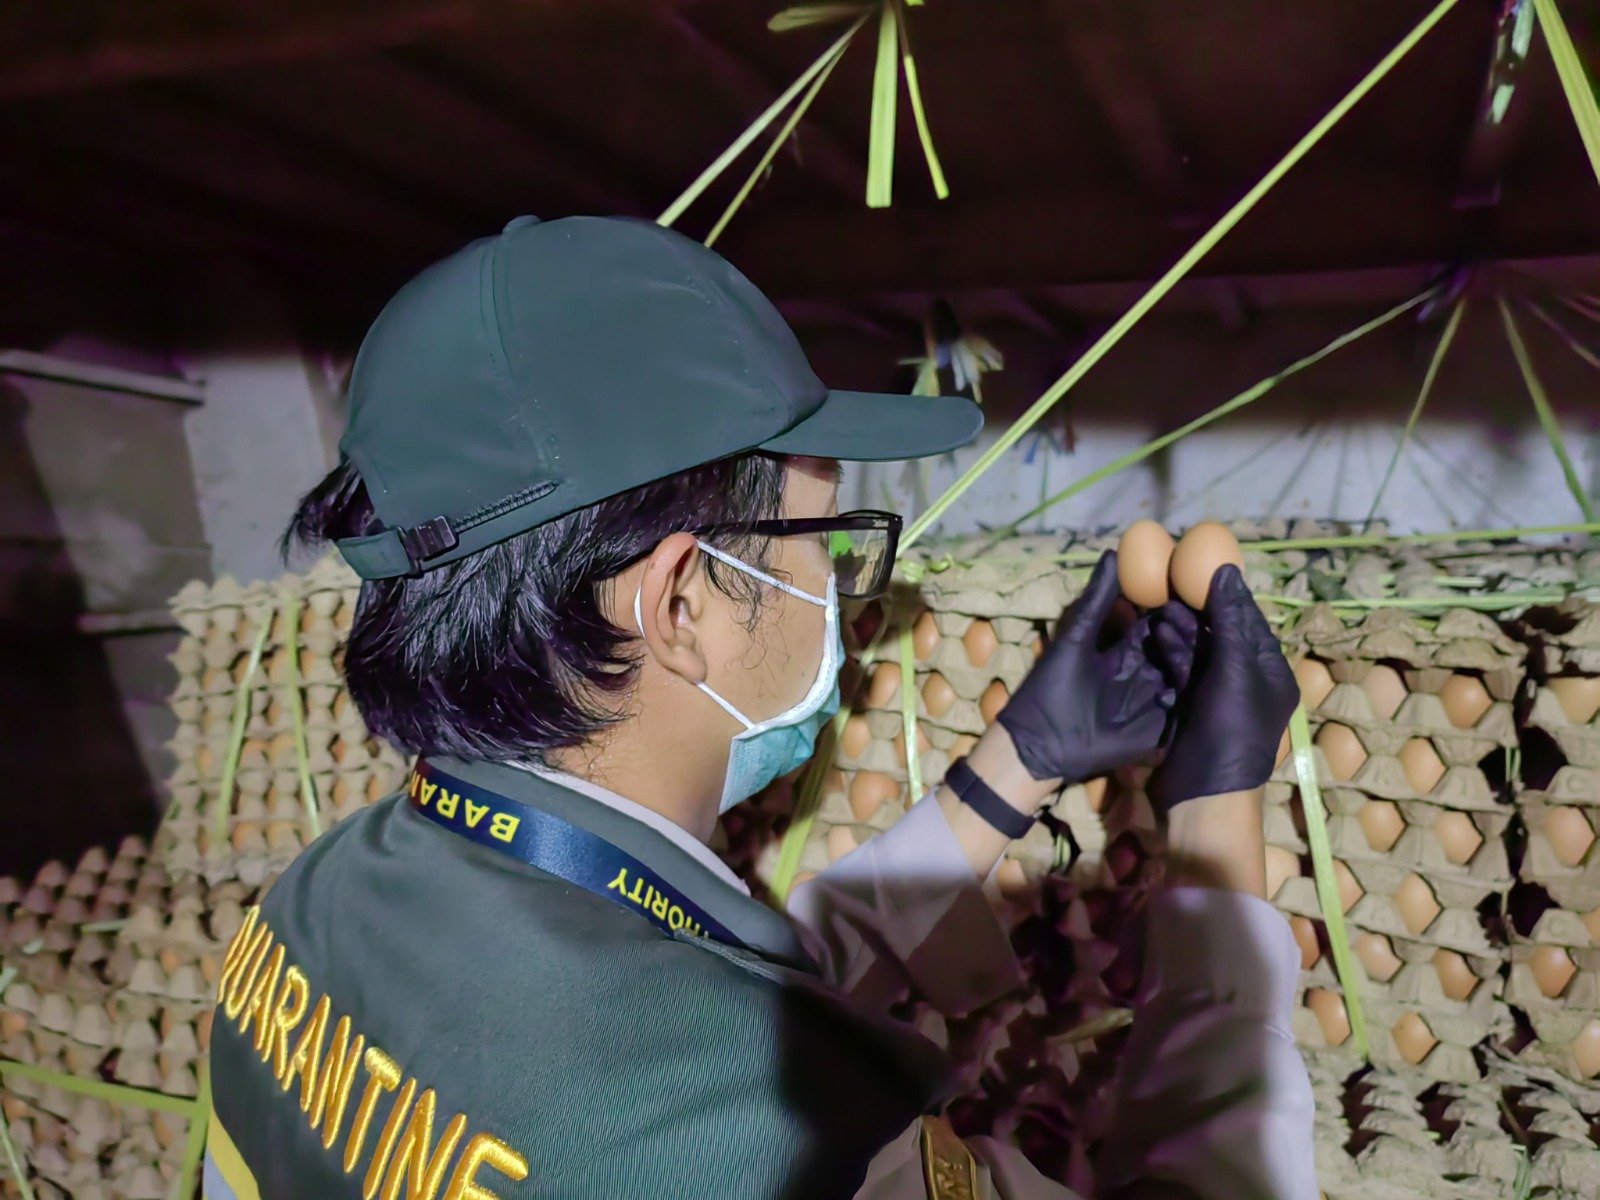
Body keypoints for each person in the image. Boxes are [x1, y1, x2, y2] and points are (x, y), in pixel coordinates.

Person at [203, 216, 1315, 1200]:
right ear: (682, 602)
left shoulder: (311, 907)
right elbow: (717, 1067)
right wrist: (1217, 835)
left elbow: (684, 993)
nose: (841, 589)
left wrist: (1013, 767)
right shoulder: (785, 1156)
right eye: (825, 542)